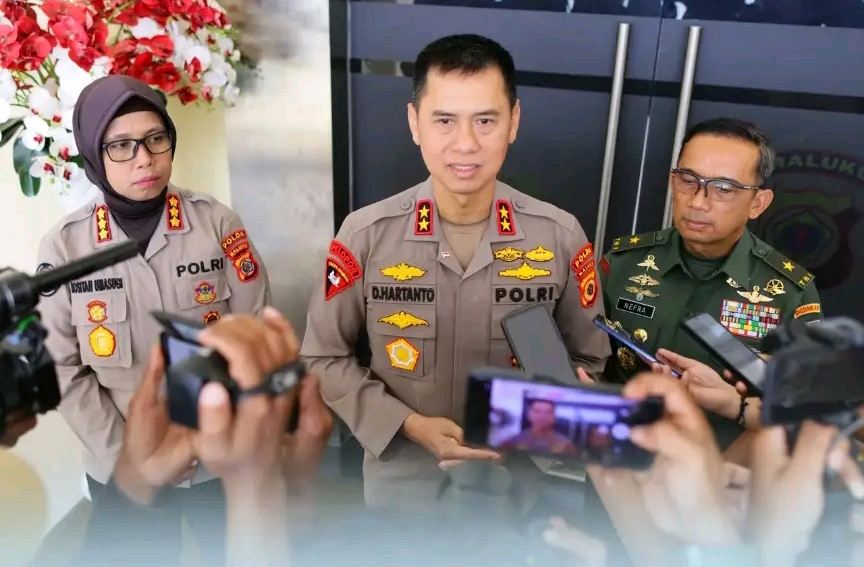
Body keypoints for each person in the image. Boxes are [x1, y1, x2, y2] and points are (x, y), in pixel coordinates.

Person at [301, 34, 611, 508]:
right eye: (444, 120)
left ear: (514, 122)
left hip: (522, 488)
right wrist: (408, 425)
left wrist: (528, 428)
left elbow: (591, 360)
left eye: (486, 120)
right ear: (415, 123)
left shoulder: (559, 235)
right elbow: (323, 357)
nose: (465, 144)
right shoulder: (365, 235)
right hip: (402, 483)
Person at [34, 76, 271, 560]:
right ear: (93, 156)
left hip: (217, 453)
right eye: (121, 146)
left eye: (155, 138)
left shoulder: (216, 223)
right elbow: (60, 367)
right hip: (122, 464)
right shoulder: (65, 247)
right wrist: (131, 458)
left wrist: (206, 438)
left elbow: (255, 337)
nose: (144, 158)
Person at [599, 118, 822, 449]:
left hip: (722, 468)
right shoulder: (622, 263)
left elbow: (803, 413)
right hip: (618, 459)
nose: (698, 202)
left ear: (758, 203)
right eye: (688, 180)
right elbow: (588, 358)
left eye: (723, 189)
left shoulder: (789, 292)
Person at [501, 398, 576, 454]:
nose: (542, 416)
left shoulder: (565, 445)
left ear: (553, 417)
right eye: (537, 411)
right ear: (529, 415)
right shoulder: (513, 442)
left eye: (548, 412)